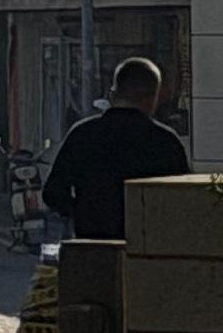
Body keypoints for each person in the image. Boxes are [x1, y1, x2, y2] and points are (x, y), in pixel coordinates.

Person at [41, 55, 192, 242]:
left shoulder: (83, 134)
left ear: (112, 95)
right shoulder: (165, 141)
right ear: (153, 98)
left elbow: (53, 193)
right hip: (147, 247)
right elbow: (184, 199)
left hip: (93, 244)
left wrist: (83, 211)